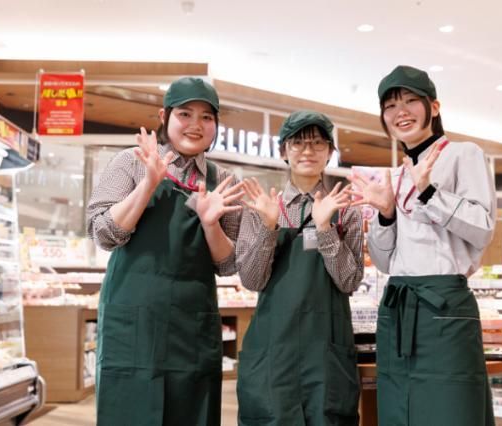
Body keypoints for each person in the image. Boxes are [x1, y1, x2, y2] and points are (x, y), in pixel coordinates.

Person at [87, 76, 244, 425]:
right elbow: (103, 233)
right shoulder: (131, 162)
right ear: (164, 116)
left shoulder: (224, 181)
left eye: (206, 117)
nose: (195, 125)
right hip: (133, 324)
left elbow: (228, 264)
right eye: (185, 114)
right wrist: (148, 184)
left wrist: (210, 223)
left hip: (192, 326)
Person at [348, 65, 497, 426]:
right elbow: (385, 262)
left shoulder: (464, 154)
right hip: (398, 306)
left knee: (451, 409)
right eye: (390, 106)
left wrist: (430, 192)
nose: (400, 112)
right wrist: (385, 215)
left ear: (434, 106)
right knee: (399, 409)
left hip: (444, 304)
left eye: (410, 101)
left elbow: (482, 228)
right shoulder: (396, 175)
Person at [235, 110, 363, 426]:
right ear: (283, 151)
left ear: (330, 152)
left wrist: (325, 228)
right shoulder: (261, 207)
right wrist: (268, 227)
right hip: (273, 351)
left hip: (326, 353)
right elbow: (252, 280)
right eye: (298, 143)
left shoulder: (346, 209)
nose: (308, 151)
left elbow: (348, 281)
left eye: (318, 143)